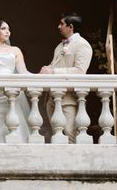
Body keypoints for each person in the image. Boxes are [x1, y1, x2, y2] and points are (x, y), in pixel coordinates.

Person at [39, 12, 93, 143]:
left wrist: (53, 71)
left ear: (71, 27)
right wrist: (47, 69)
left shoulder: (82, 45)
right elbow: (54, 66)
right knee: (56, 137)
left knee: (71, 134)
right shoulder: (59, 46)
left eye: (61, 24)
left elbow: (80, 71)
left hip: (69, 100)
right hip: (52, 99)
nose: (58, 26)